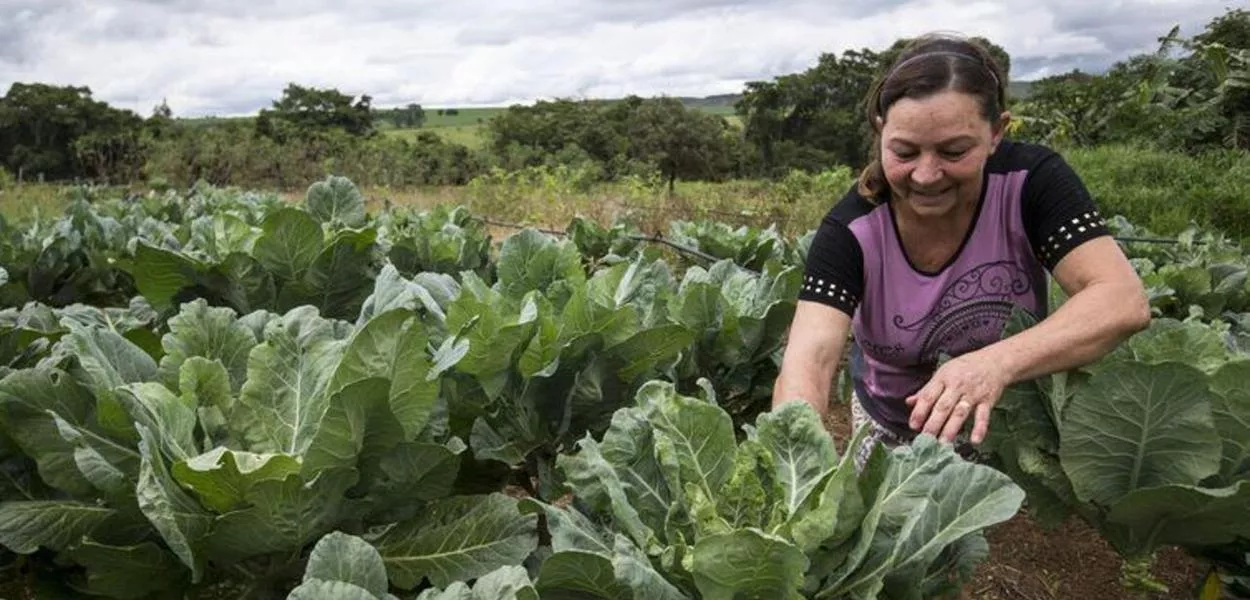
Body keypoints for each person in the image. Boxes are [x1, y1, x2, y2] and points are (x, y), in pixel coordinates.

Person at [771, 33, 1151, 468]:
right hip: (890, 426)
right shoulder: (852, 229)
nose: (926, 174)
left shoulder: (1031, 182)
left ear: (996, 132)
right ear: (880, 131)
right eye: (904, 152)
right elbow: (809, 364)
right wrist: (798, 459)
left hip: (1008, 431)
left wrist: (994, 364)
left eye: (953, 151)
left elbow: (1122, 300)